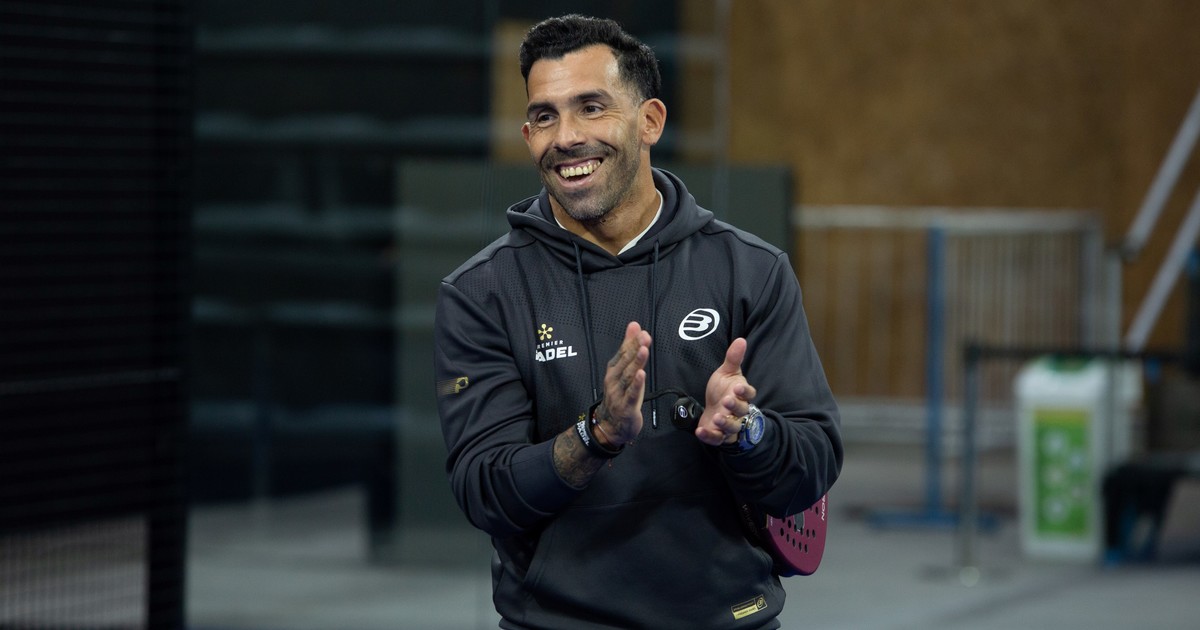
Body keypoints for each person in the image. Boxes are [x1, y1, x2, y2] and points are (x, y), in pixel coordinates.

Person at [434, 14, 842, 629]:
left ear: (650, 121)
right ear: (527, 134)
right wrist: (597, 435)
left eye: (591, 108)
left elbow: (810, 469)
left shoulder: (750, 271)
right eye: (545, 116)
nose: (566, 137)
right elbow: (486, 493)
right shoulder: (482, 292)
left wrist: (746, 430)